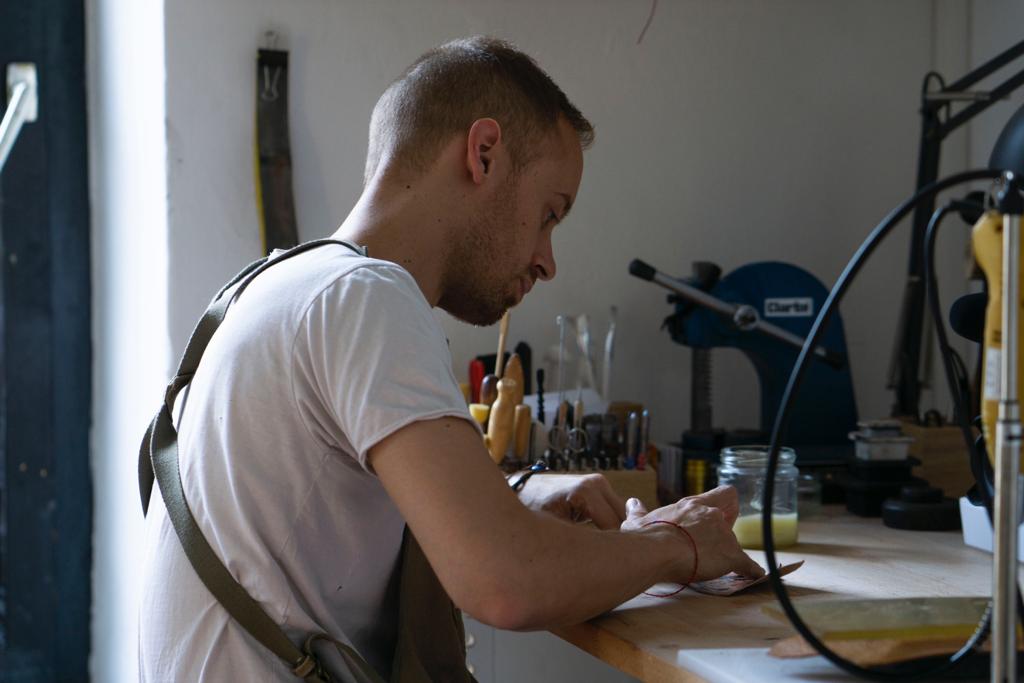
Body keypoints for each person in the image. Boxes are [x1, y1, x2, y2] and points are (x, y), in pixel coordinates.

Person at [139, 35, 762, 682]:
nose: (549, 260)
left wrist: (517, 496)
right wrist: (680, 544)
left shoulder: (279, 284)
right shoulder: (367, 298)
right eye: (549, 215)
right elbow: (504, 582)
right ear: (483, 153)